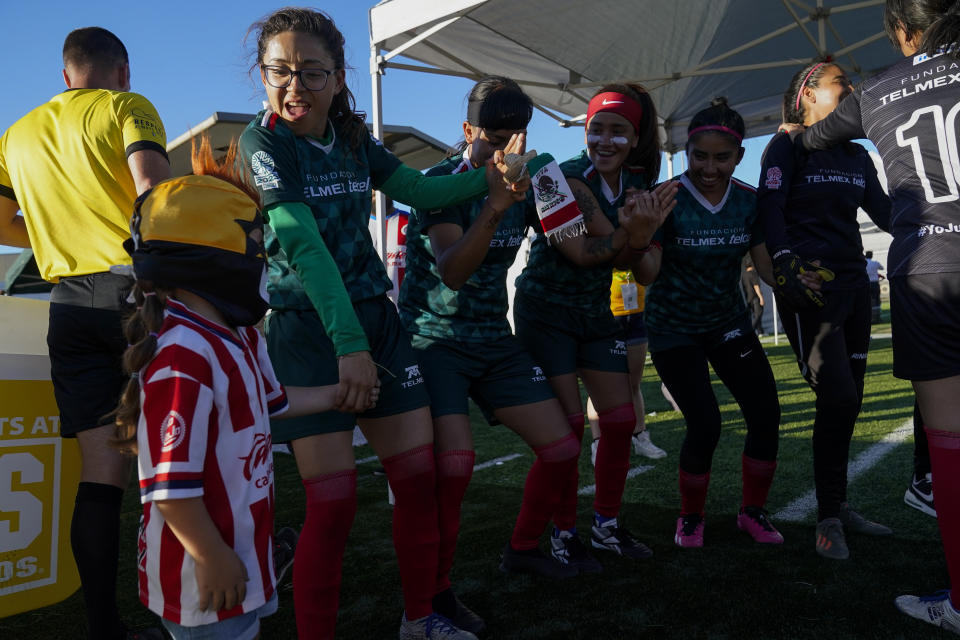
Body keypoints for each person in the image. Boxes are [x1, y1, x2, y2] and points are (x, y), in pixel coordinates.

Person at [237, 8, 528, 639]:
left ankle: (420, 619)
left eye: (311, 72)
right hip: (309, 332)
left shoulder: (351, 138)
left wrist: (491, 177)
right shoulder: (261, 144)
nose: (294, 87)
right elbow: (304, 247)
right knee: (334, 503)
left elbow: (417, 192)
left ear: (339, 77)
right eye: (279, 72)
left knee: (418, 479)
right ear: (262, 76)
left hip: (378, 322)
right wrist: (349, 348)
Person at [113, 144, 377, 640]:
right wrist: (211, 556)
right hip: (202, 570)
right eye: (256, 243)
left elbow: (274, 405)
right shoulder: (182, 354)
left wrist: (341, 394)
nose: (265, 260)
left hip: (240, 550)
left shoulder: (239, 336)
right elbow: (169, 487)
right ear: (213, 254)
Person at [791, 0, 960, 631]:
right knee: (848, 399)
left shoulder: (880, 89)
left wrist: (799, 136)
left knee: (948, 445)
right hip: (870, 282)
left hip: (928, 271)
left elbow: (816, 136)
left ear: (902, 31)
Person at [0, 27, 170, 640]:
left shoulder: (16, 133)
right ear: (122, 70)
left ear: (65, 75)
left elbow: (2, 222)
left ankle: (106, 629)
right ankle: (191, 609)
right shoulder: (128, 106)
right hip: (135, 297)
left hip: (67, 306)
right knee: (176, 458)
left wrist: (49, 235)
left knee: (101, 479)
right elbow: (152, 193)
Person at [399, 77, 590, 609]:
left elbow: (576, 247)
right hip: (434, 340)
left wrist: (627, 232)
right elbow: (452, 270)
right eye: (495, 136)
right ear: (467, 131)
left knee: (561, 448)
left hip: (493, 338)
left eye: (519, 136)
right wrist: (498, 204)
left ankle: (523, 548)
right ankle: (435, 594)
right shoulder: (437, 181)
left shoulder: (538, 172)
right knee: (455, 466)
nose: (509, 149)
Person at [514, 83, 677, 563]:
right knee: (568, 429)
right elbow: (589, 256)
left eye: (618, 131)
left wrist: (640, 236)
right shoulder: (561, 176)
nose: (605, 140)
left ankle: (607, 525)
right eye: (596, 129)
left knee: (622, 419)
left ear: (636, 135)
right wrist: (637, 232)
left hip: (598, 315)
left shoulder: (640, 185)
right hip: (547, 313)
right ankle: (563, 533)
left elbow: (646, 272)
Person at [635, 98, 797, 549]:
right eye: (699, 155)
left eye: (721, 157)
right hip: (673, 329)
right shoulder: (666, 199)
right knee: (705, 423)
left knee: (766, 413)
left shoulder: (749, 202)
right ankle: (690, 517)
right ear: (687, 151)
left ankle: (752, 512)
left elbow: (766, 269)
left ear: (740, 155)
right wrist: (640, 235)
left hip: (728, 323)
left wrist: (797, 277)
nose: (709, 167)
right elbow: (646, 274)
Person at [759, 61, 894, 560]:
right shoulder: (786, 145)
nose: (853, 90)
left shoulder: (858, 155)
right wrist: (784, 261)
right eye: (843, 84)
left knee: (850, 401)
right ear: (808, 95)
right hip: (809, 291)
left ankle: (837, 505)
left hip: (856, 289)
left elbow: (885, 213)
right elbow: (769, 207)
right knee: (837, 396)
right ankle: (828, 519)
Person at [587, 273, 667, 463]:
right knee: (598, 387)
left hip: (635, 313)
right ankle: (598, 442)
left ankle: (640, 437)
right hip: (605, 314)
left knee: (633, 383)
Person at [741, 256, 765, 334]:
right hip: (755, 297)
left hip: (748, 298)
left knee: (755, 314)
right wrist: (761, 297)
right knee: (758, 314)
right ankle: (750, 330)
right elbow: (756, 286)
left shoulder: (743, 276)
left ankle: (760, 331)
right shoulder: (753, 273)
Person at [864, 251, 885, 322]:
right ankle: (878, 317)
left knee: (868, 301)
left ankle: (870, 318)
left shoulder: (864, 263)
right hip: (875, 284)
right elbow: (882, 268)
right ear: (871, 256)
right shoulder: (875, 263)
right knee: (877, 300)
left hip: (867, 284)